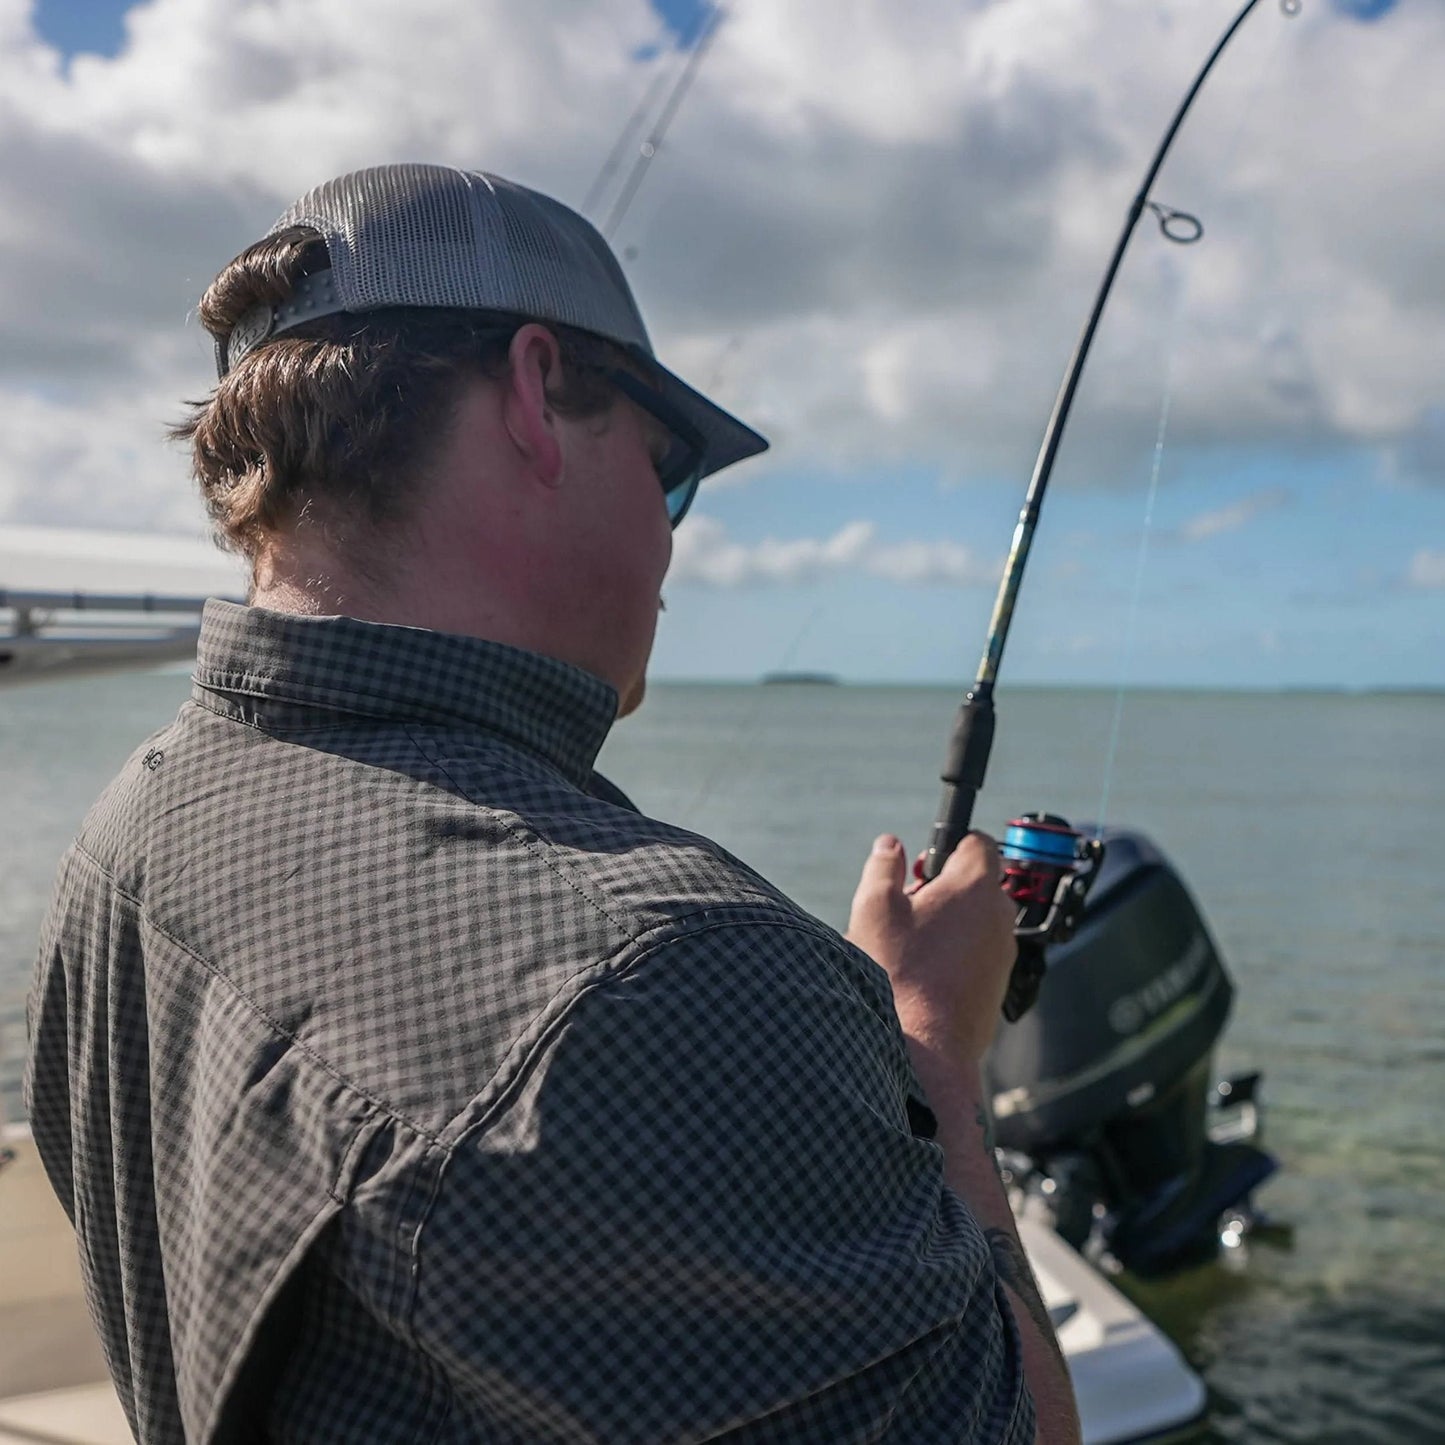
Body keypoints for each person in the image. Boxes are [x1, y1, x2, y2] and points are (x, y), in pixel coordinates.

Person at [25, 164, 1080, 1444]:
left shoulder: (134, 826)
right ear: (534, 394)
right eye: (669, 467)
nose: (675, 531)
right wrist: (930, 1048)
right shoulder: (676, 977)